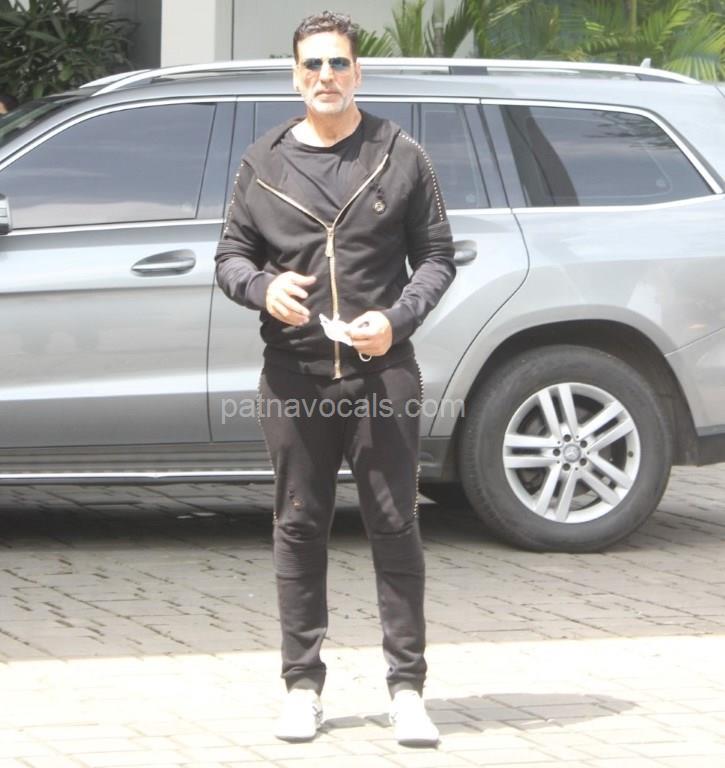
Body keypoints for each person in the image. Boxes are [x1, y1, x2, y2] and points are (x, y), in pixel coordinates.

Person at [215, 11, 455, 747]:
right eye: (313, 65)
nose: (326, 76)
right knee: (298, 525)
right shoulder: (263, 162)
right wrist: (262, 288)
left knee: (395, 525)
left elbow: (437, 257)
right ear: (295, 76)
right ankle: (301, 686)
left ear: (358, 73)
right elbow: (228, 257)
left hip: (383, 376)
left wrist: (398, 318)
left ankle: (407, 690)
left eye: (338, 64)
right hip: (295, 375)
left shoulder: (399, 154)